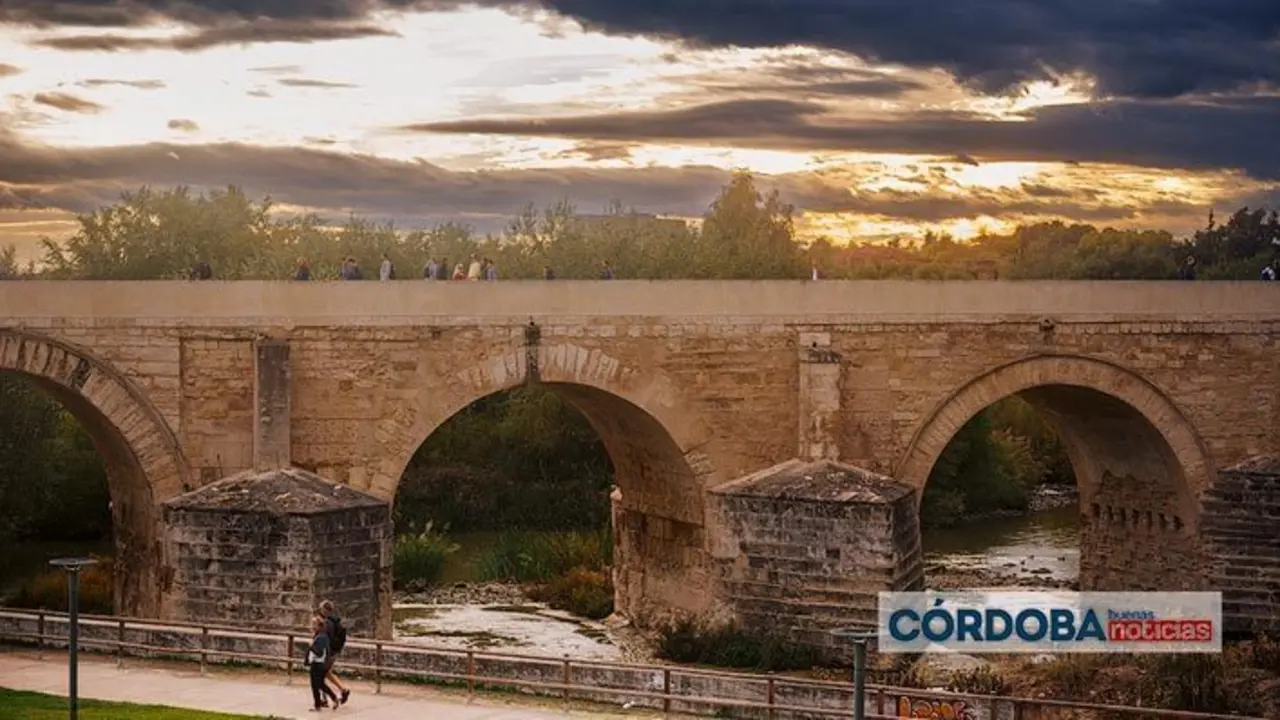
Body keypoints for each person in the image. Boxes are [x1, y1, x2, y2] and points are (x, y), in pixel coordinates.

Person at [318, 600, 351, 705]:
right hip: (334, 652)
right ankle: (341, 691)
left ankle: (326, 698)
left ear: (324, 609)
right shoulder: (334, 621)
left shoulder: (327, 623)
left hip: (328, 653)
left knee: (319, 675)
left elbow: (325, 639)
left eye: (321, 608)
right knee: (326, 673)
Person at [305, 616, 339, 711]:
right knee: (317, 684)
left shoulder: (321, 637)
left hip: (319, 664)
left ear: (319, 626)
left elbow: (319, 652)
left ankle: (330, 699)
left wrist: (311, 646)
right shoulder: (320, 636)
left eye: (314, 625)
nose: (312, 626)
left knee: (318, 684)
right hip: (317, 663)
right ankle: (319, 704)